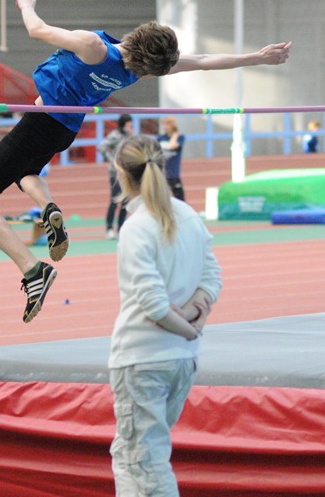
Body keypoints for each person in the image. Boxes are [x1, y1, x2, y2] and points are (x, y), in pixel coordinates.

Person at [0, 0, 290, 324]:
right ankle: (48, 208)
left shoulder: (93, 47)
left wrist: (26, 6)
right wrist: (256, 58)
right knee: (26, 172)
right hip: (64, 129)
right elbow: (202, 60)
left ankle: (33, 270)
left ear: (141, 32)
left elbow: (37, 30)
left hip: (38, 124)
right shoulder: (135, 71)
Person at [108, 135, 221, 496]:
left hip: (142, 359)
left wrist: (187, 327)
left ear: (121, 173)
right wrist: (193, 318)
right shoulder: (187, 215)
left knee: (143, 461)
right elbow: (211, 277)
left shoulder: (137, 228)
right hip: (180, 361)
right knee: (133, 455)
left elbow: (153, 305)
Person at [100, 114, 134, 239]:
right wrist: (112, 161)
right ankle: (109, 228)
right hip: (115, 173)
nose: (130, 126)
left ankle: (121, 228)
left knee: (125, 200)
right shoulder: (115, 135)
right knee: (115, 199)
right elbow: (102, 147)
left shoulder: (129, 136)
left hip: (127, 172)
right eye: (128, 123)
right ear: (123, 123)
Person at [157, 116, 185, 201]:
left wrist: (175, 135)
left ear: (172, 125)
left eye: (167, 125)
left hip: (174, 173)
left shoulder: (180, 138)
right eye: (164, 125)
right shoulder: (161, 138)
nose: (164, 127)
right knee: (161, 199)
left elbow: (172, 146)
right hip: (163, 173)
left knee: (180, 199)